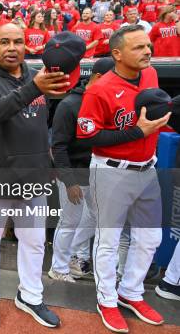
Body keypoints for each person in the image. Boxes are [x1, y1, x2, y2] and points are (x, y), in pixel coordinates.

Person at [0, 23, 69, 329]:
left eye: (19, 42)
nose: (12, 47)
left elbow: (39, 127)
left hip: (33, 179)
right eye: (5, 42)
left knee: (35, 241)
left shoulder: (36, 78)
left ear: (27, 45)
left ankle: (30, 295)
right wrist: (34, 87)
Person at [76, 25, 170, 333]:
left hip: (148, 169)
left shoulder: (151, 75)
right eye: (139, 47)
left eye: (147, 45)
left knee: (150, 238)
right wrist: (136, 132)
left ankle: (130, 292)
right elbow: (86, 136)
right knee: (109, 241)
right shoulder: (98, 89)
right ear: (117, 54)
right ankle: (107, 300)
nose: (147, 51)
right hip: (111, 171)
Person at [49, 57, 115, 283]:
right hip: (73, 172)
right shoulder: (69, 104)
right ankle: (58, 268)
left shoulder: (107, 101)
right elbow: (57, 147)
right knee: (69, 220)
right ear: (98, 77)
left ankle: (74, 257)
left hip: (97, 172)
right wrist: (69, 181)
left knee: (98, 218)